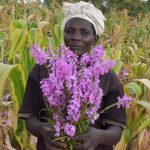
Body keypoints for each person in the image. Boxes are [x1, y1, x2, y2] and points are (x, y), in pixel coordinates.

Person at [19, 1, 126, 150]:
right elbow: (30, 117)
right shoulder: (43, 69)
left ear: (96, 39)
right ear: (63, 34)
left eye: (84, 32)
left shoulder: (107, 77)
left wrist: (98, 137)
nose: (75, 37)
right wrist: (44, 130)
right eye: (69, 31)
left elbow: (116, 130)